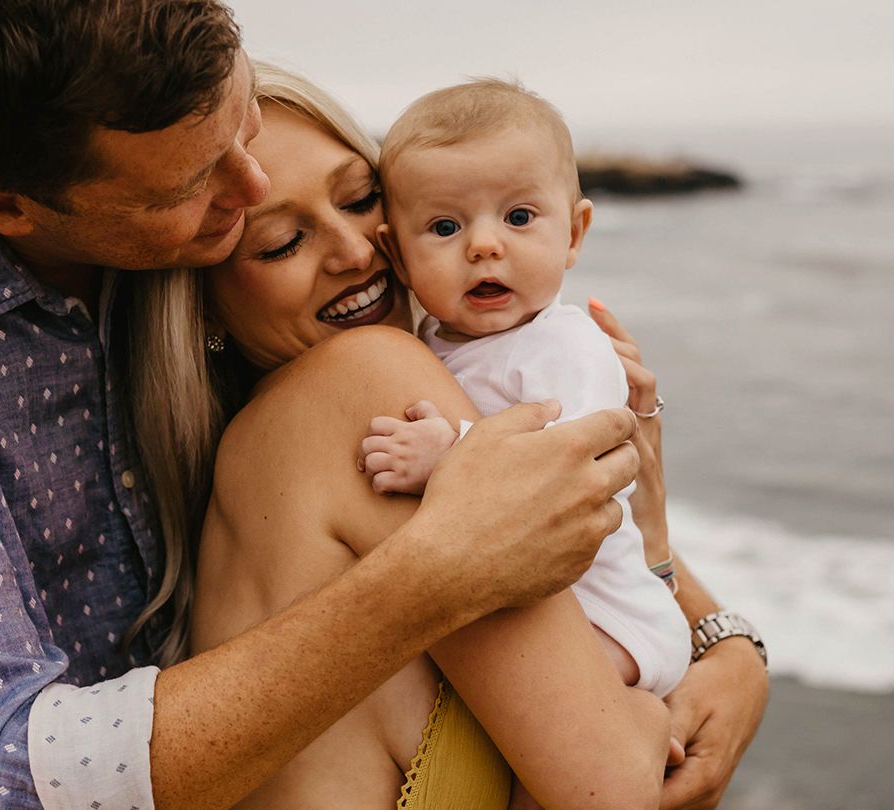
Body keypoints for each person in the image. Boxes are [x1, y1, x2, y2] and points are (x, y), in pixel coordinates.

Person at [0, 2, 765, 808]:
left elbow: (565, 529)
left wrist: (721, 638)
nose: (250, 189)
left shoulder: (227, 238)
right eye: (202, 195)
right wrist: (439, 570)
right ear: (9, 209)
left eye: (356, 195)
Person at [179, 65, 769, 807]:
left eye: (361, 201)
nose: (359, 253)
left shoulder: (273, 436)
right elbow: (620, 782)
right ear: (201, 301)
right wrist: (682, 615)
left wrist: (727, 640)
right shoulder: (366, 378)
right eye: (280, 242)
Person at [360, 78, 691, 700]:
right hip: (540, 602)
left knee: (548, 741)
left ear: (572, 233)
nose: (484, 245)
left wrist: (447, 453)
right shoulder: (427, 344)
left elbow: (574, 471)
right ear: (398, 259)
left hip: (616, 620)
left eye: (518, 217)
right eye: (444, 226)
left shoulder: (566, 345)